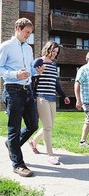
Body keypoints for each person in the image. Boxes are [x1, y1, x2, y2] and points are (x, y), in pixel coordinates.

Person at [0, 18, 44, 177]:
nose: (28, 36)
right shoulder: (6, 46)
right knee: (14, 129)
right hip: (13, 90)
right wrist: (15, 74)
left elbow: (29, 69)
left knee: (33, 124)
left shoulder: (28, 49)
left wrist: (35, 71)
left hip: (27, 90)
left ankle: (12, 145)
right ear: (18, 28)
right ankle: (18, 164)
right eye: (26, 32)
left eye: (30, 33)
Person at [29, 41, 70, 165]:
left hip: (52, 98)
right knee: (47, 126)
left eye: (56, 52)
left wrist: (64, 96)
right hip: (41, 97)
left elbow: (56, 83)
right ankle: (50, 155)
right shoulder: (38, 62)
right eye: (53, 51)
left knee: (50, 125)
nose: (54, 54)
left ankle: (33, 141)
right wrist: (33, 97)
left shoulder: (53, 64)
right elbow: (31, 80)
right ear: (47, 49)